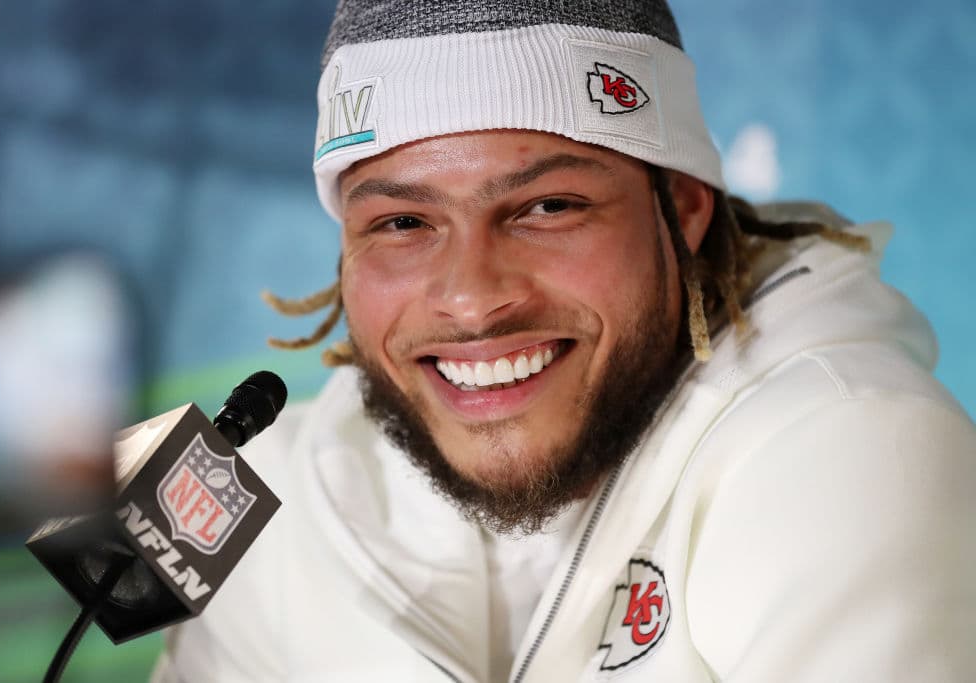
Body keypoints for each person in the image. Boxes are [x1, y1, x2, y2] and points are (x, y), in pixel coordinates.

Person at [153, 1, 976, 680]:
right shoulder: (266, 507)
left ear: (682, 208)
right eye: (402, 222)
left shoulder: (848, 441)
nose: (472, 298)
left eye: (548, 207)